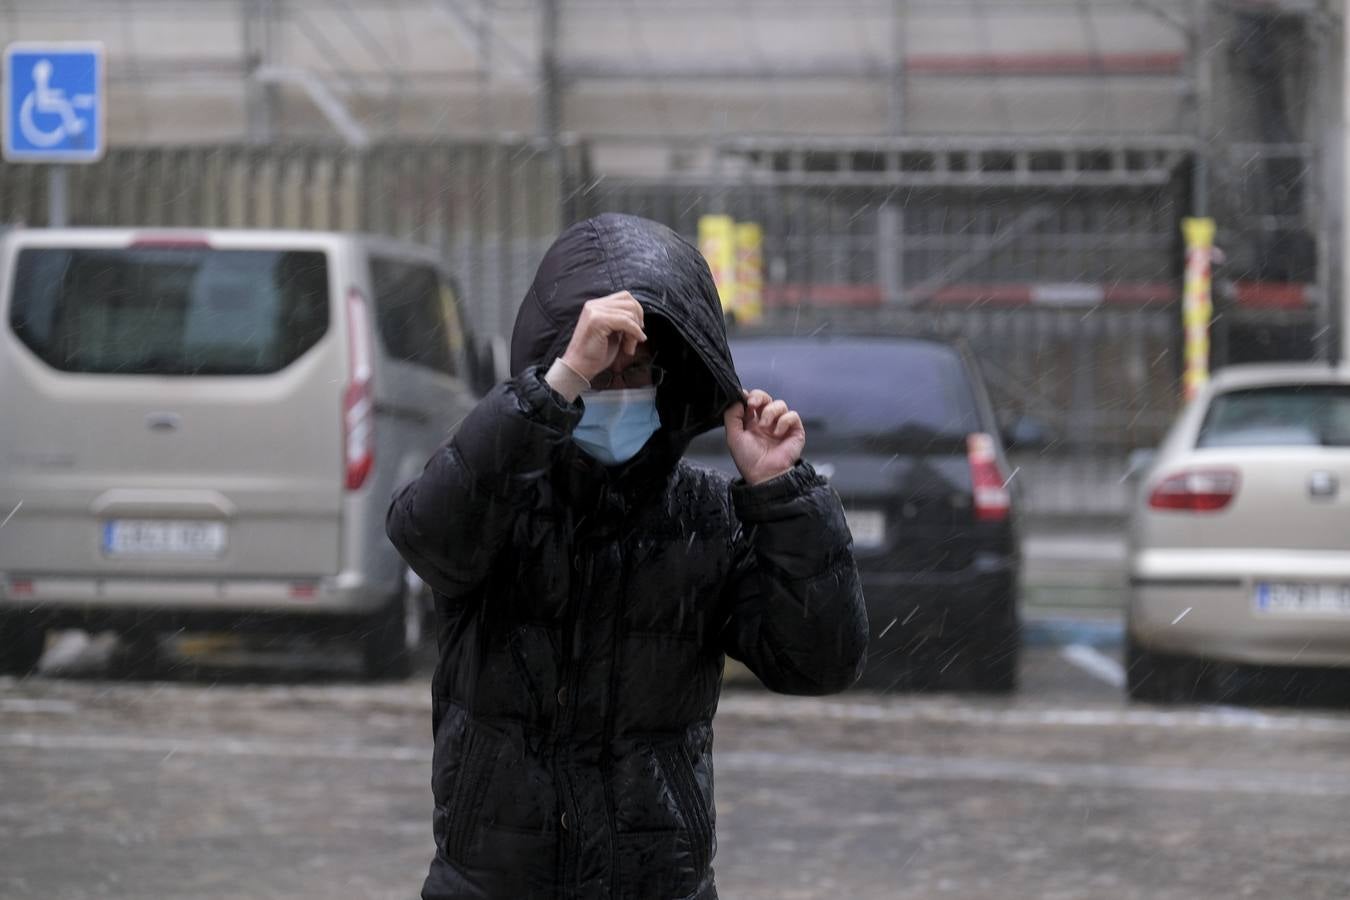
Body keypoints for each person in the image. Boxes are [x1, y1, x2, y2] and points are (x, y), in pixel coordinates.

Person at [386, 213, 868, 900]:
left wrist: (782, 493)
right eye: (599, 370)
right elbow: (426, 536)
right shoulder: (501, 495)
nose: (617, 389)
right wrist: (553, 388)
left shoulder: (707, 515)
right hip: (491, 881)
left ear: (669, 383)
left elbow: (820, 660)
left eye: (636, 370)